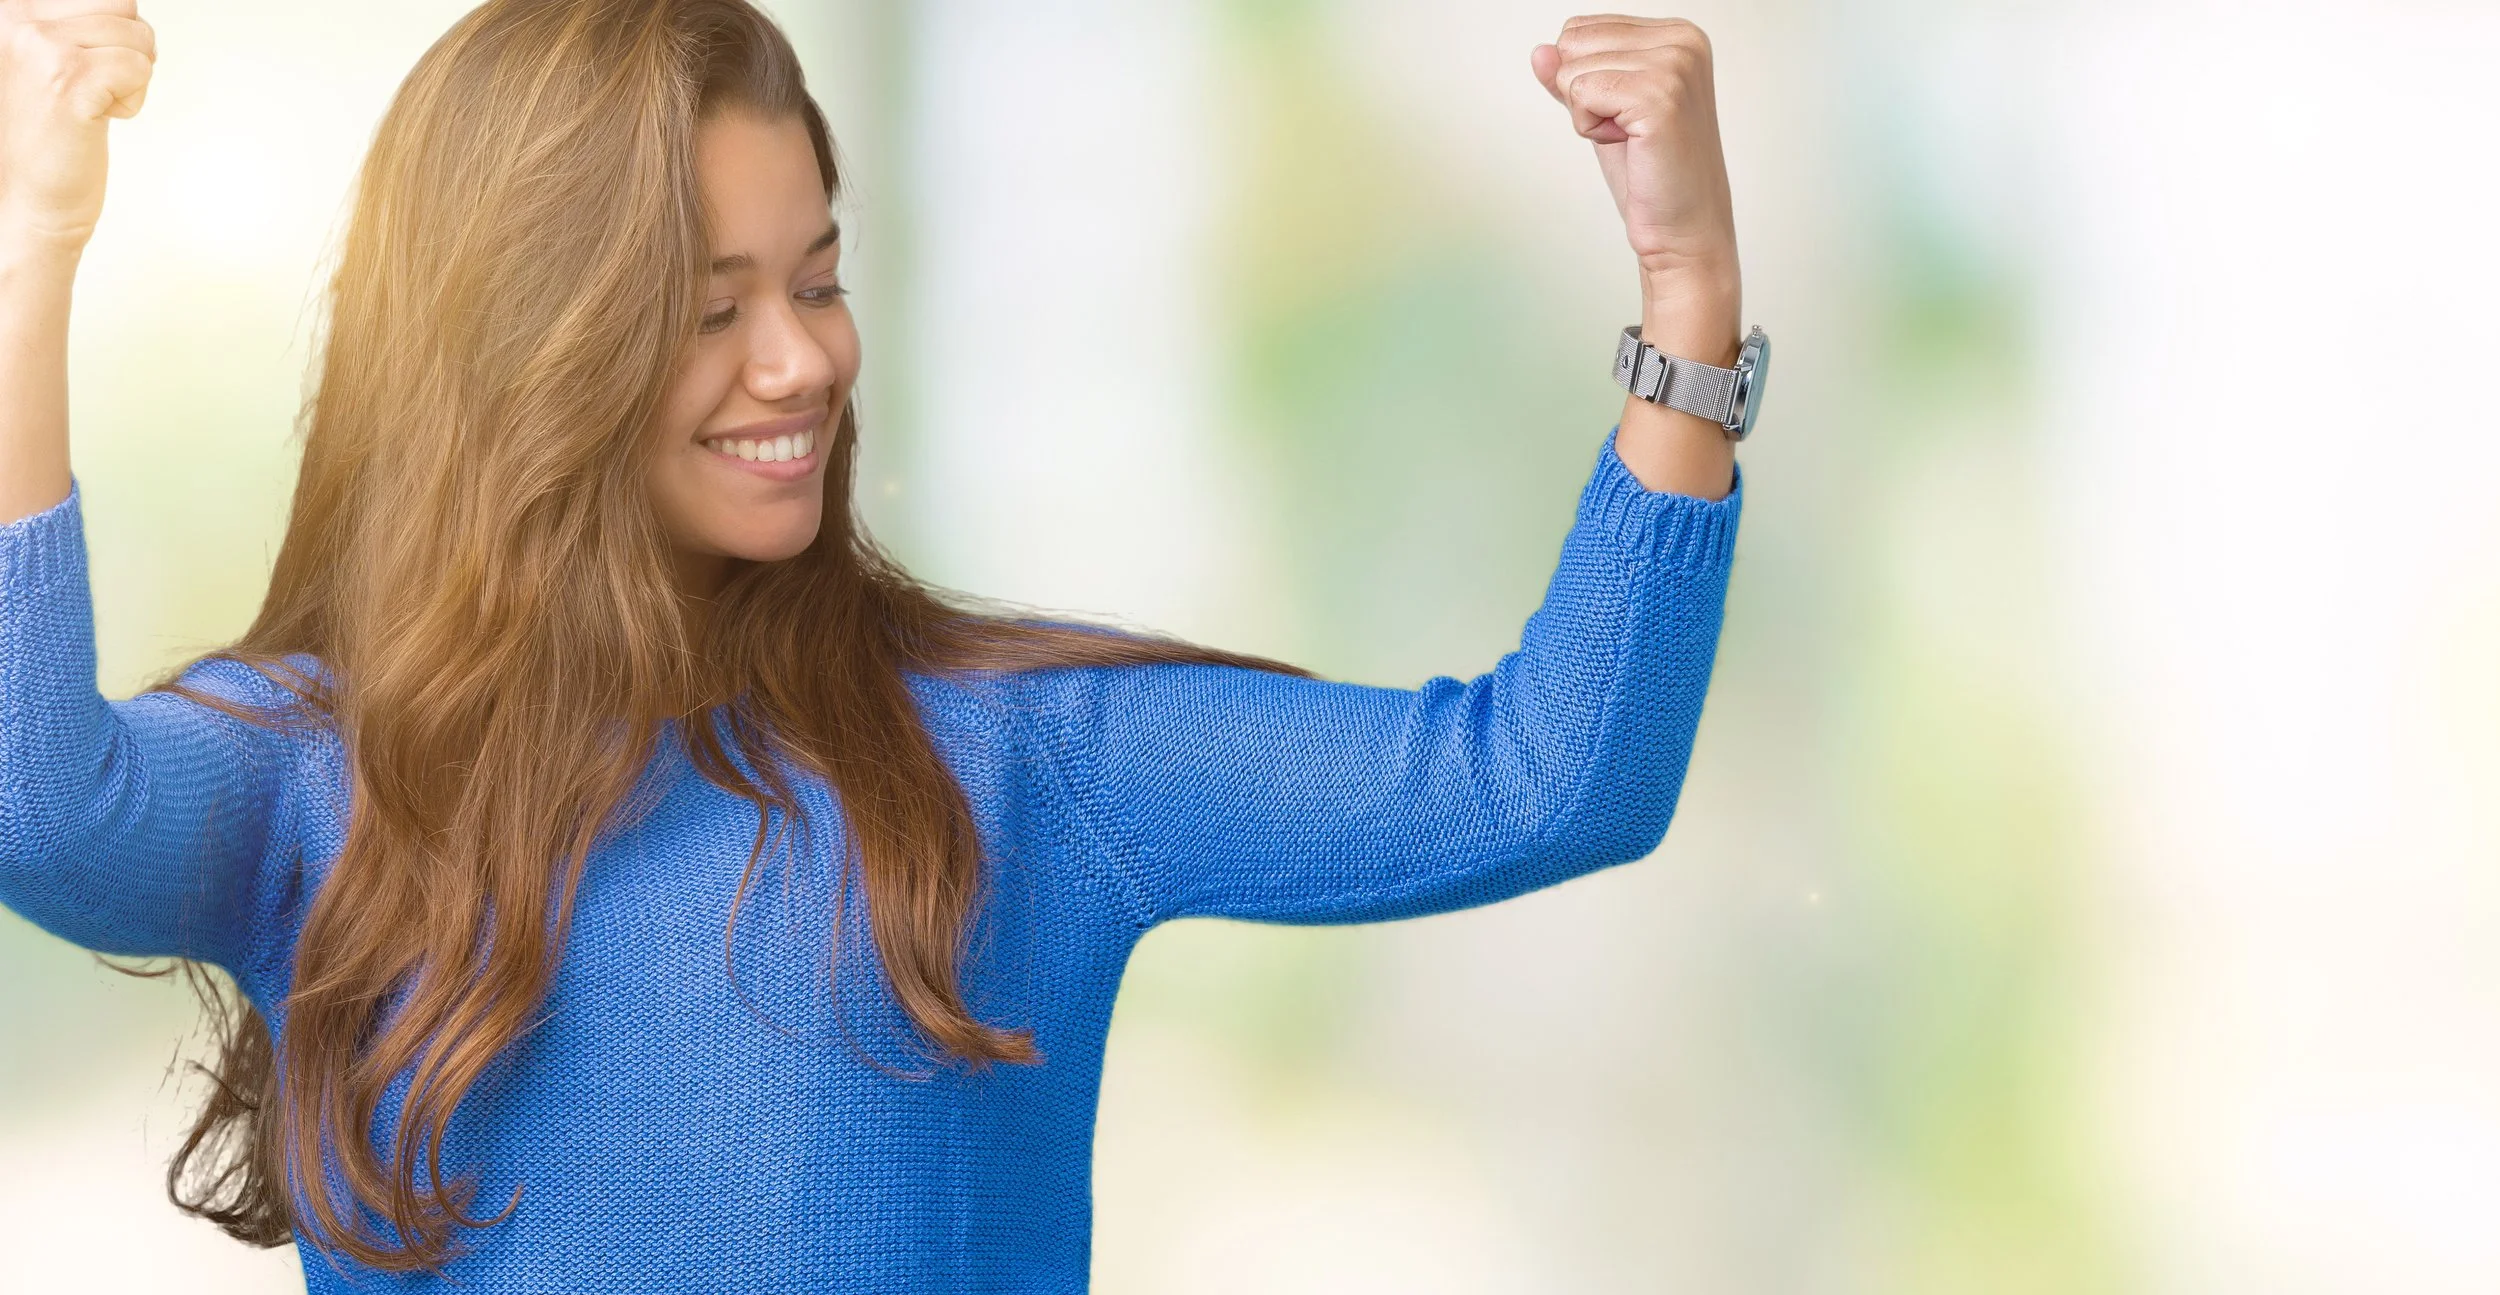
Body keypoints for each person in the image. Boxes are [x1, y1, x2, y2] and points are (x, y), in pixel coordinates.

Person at [0, 0, 1748, 1287]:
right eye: (713, 309)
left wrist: (1690, 295)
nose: (801, 361)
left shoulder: (1017, 754)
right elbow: (35, 799)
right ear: (524, 353)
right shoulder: (324, 777)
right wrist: (34, 246)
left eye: (818, 281)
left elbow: (1552, 775)